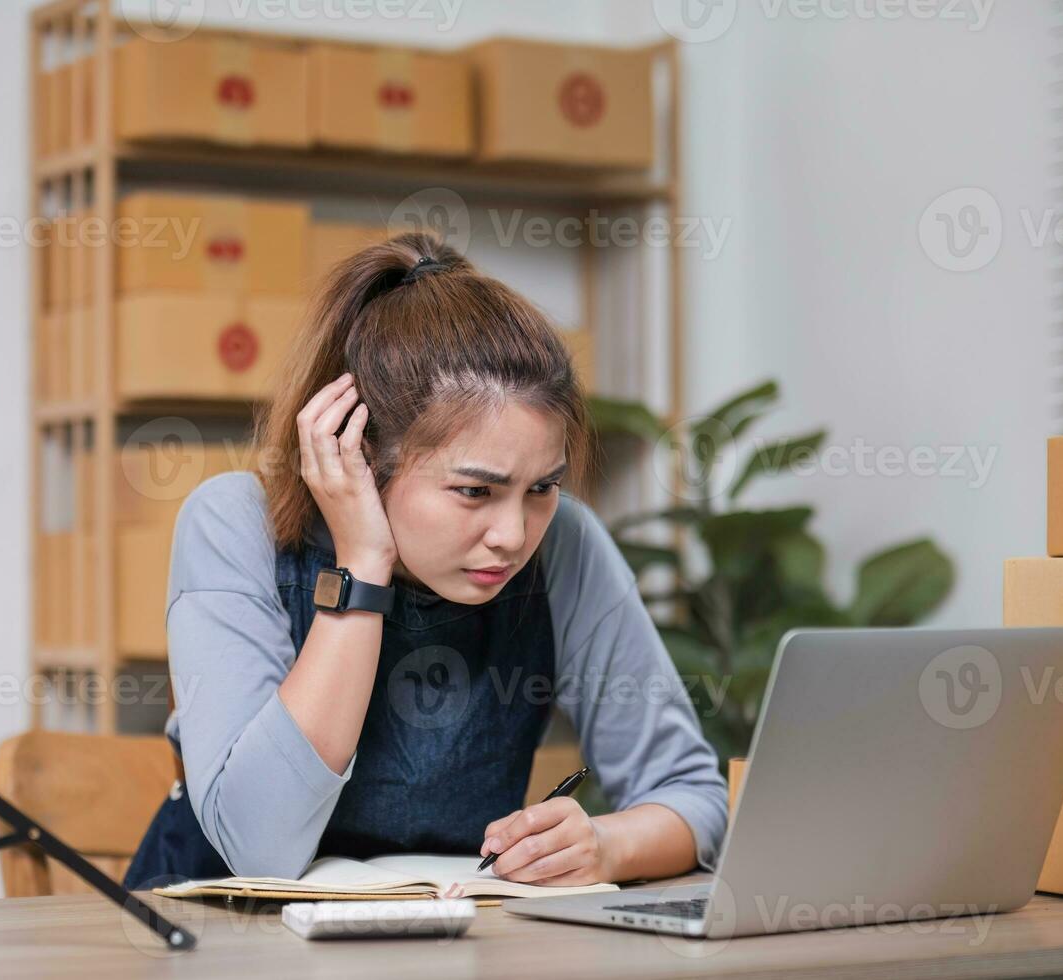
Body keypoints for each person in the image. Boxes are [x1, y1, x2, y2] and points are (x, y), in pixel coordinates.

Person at [124, 232, 727, 890]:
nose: (512, 533)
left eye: (542, 488)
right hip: (222, 942)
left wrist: (607, 845)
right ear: (361, 453)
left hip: (447, 942)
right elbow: (260, 850)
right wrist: (362, 569)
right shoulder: (236, 524)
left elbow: (693, 797)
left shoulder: (566, 547)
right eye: (475, 491)